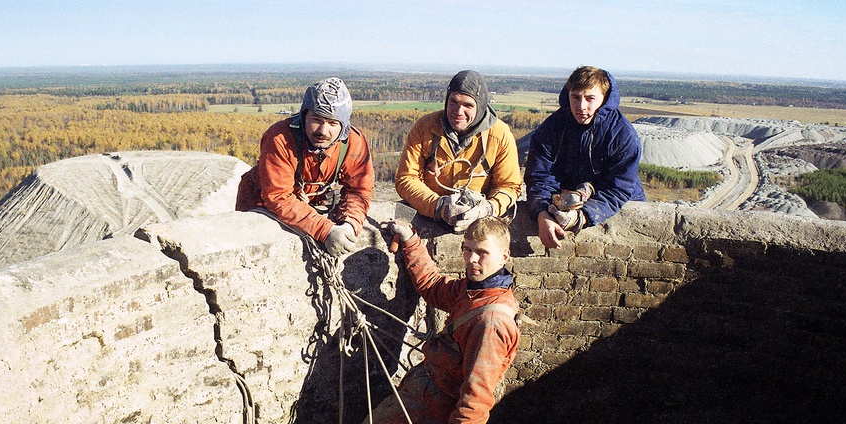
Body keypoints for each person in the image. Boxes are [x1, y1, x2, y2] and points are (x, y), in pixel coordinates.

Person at [276, 216, 520, 424]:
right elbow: (433, 286)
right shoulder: (477, 290)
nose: (472, 260)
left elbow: (477, 398)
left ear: (504, 256)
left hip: (435, 403)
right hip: (427, 388)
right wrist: (411, 241)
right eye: (467, 249)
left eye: (482, 253)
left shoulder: (491, 321)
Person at [236, 77, 373, 258]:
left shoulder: (353, 143)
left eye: (332, 123)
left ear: (343, 127)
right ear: (303, 117)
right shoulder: (280, 138)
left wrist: (349, 224)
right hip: (259, 202)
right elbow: (278, 196)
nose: (323, 131)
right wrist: (325, 230)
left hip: (308, 203)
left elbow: (359, 189)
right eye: (316, 119)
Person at [525, 65, 645, 250]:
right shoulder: (552, 128)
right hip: (566, 202)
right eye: (575, 97)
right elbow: (540, 176)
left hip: (617, 207)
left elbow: (618, 188)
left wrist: (584, 216)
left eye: (590, 98)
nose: (581, 106)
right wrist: (542, 213)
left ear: (604, 99)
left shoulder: (622, 135)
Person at [395, 70, 522, 233]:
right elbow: (406, 178)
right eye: (453, 102)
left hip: (479, 223)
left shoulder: (499, 135)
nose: (458, 111)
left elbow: (509, 186)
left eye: (468, 105)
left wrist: (488, 209)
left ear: (481, 106)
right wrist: (439, 206)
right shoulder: (425, 128)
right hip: (427, 216)